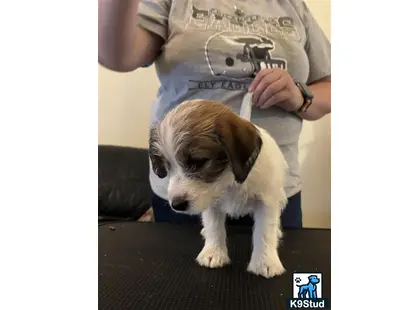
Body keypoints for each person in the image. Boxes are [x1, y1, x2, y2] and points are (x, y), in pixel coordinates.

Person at [98, 0, 331, 229]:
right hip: (187, 186)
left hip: (269, 185)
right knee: (178, 267)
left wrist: (300, 96)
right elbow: (117, 55)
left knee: (280, 263)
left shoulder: (293, 5)